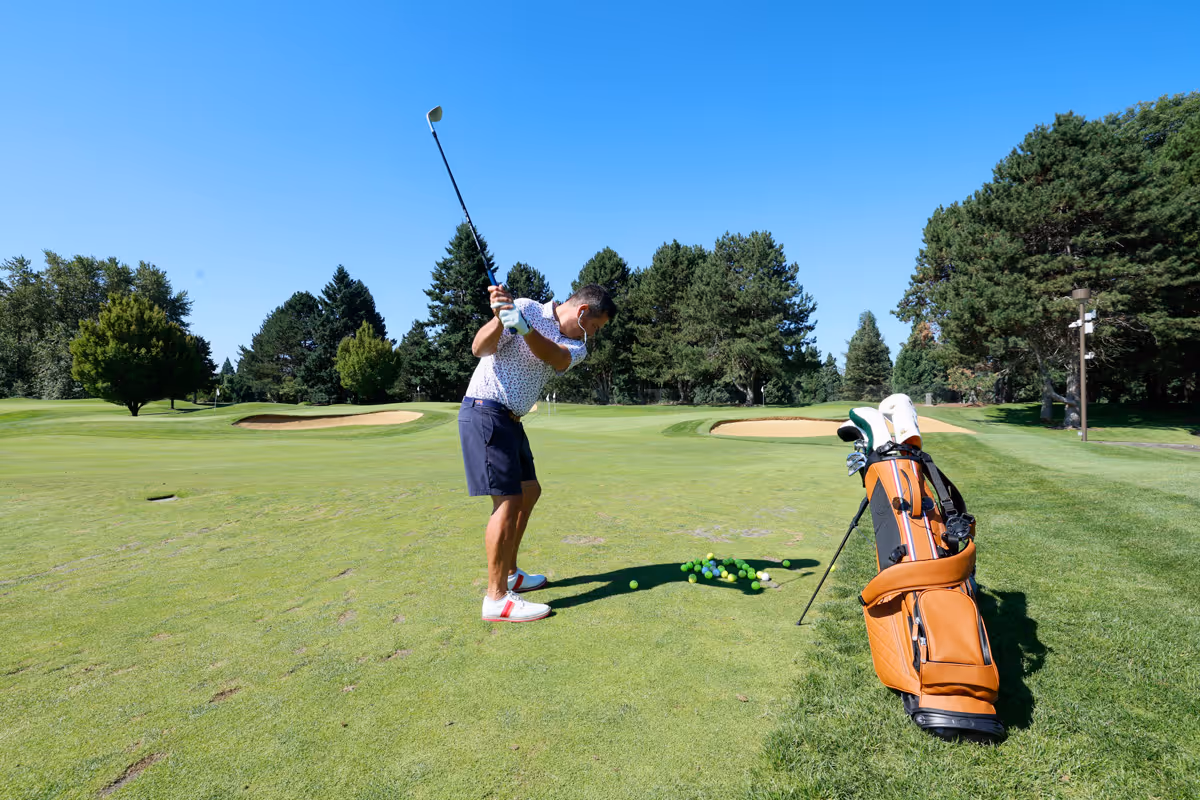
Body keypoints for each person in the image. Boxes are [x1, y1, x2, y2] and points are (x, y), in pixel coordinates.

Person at [459, 282, 616, 622]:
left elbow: (553, 356)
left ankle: (511, 572)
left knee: (530, 491)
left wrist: (524, 328)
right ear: (583, 312)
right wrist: (502, 318)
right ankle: (496, 598)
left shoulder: (575, 346)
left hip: (512, 420)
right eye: (595, 327)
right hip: (486, 410)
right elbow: (479, 348)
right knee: (508, 500)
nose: (593, 335)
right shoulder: (527, 308)